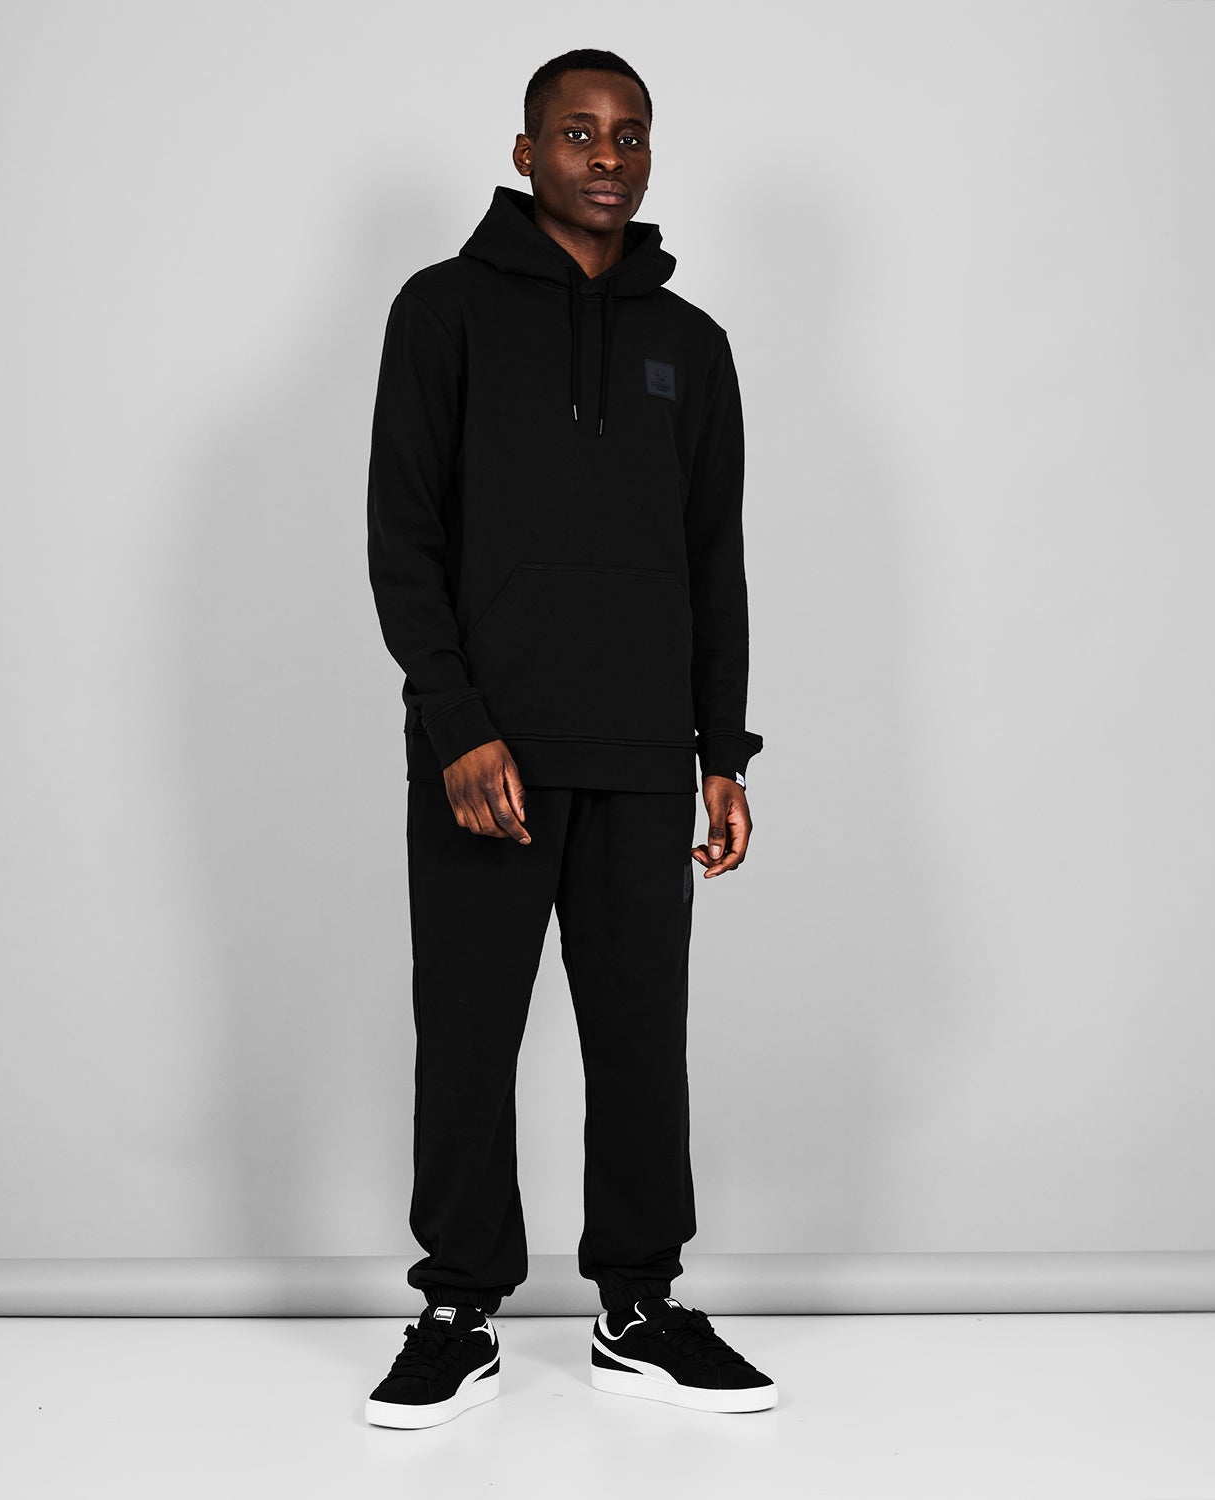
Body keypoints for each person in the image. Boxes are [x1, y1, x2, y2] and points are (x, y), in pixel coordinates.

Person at [362, 48, 775, 1429]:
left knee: (643, 1042)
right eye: (580, 133)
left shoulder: (691, 346)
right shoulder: (442, 311)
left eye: (631, 135)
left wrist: (722, 750)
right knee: (468, 1036)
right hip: (489, 759)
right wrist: (456, 723)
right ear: (526, 150)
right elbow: (403, 539)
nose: (609, 157)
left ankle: (638, 1305)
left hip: (646, 756)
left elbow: (712, 561)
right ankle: (457, 1309)